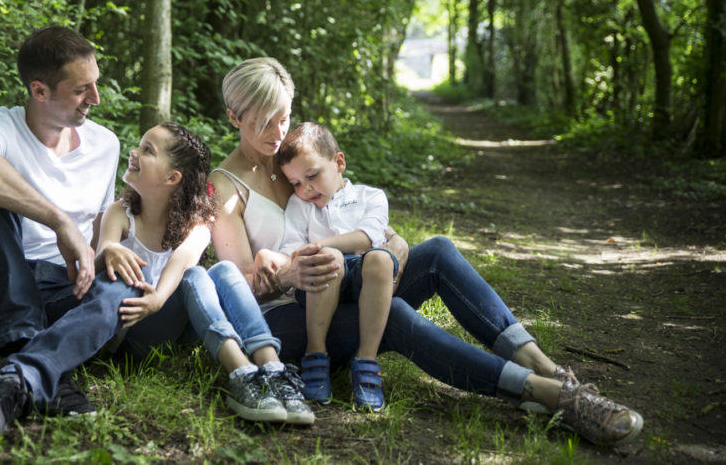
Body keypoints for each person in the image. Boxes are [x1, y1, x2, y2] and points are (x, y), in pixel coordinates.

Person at [208, 57, 644, 448]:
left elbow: (353, 219)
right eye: (265, 121)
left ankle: (549, 369)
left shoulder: (291, 161)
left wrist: (392, 243)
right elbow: (238, 286)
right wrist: (290, 275)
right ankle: (544, 395)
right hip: (286, 317)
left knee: (436, 251)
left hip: (345, 279)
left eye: (283, 117)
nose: (277, 131)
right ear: (233, 116)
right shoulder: (225, 187)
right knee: (394, 314)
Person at [0, 26, 135, 439]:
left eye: (96, 85)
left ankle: (17, 380)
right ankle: (37, 357)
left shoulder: (104, 144)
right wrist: (60, 221)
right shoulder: (1, 125)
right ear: (39, 91)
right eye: (81, 90)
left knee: (128, 287)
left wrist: (103, 252)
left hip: (60, 291)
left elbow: (104, 226)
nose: (96, 99)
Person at [97, 122, 312, 425]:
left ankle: (273, 370)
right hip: (134, 328)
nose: (133, 153)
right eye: (140, 145)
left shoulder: (196, 222)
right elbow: (102, 255)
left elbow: (184, 258)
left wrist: (160, 297)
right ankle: (241, 374)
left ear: (173, 177)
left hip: (172, 319)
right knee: (195, 276)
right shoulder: (120, 212)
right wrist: (110, 252)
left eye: (147, 150)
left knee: (221, 270)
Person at [271, 121, 401, 412]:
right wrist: (312, 254)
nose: (306, 188)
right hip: (320, 283)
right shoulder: (299, 205)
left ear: (339, 162)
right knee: (329, 258)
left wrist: (322, 244)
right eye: (296, 183)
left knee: (380, 258)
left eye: (313, 176)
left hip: (363, 276)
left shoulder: (371, 197)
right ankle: (315, 354)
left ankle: (367, 361)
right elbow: (291, 249)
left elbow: (368, 238)